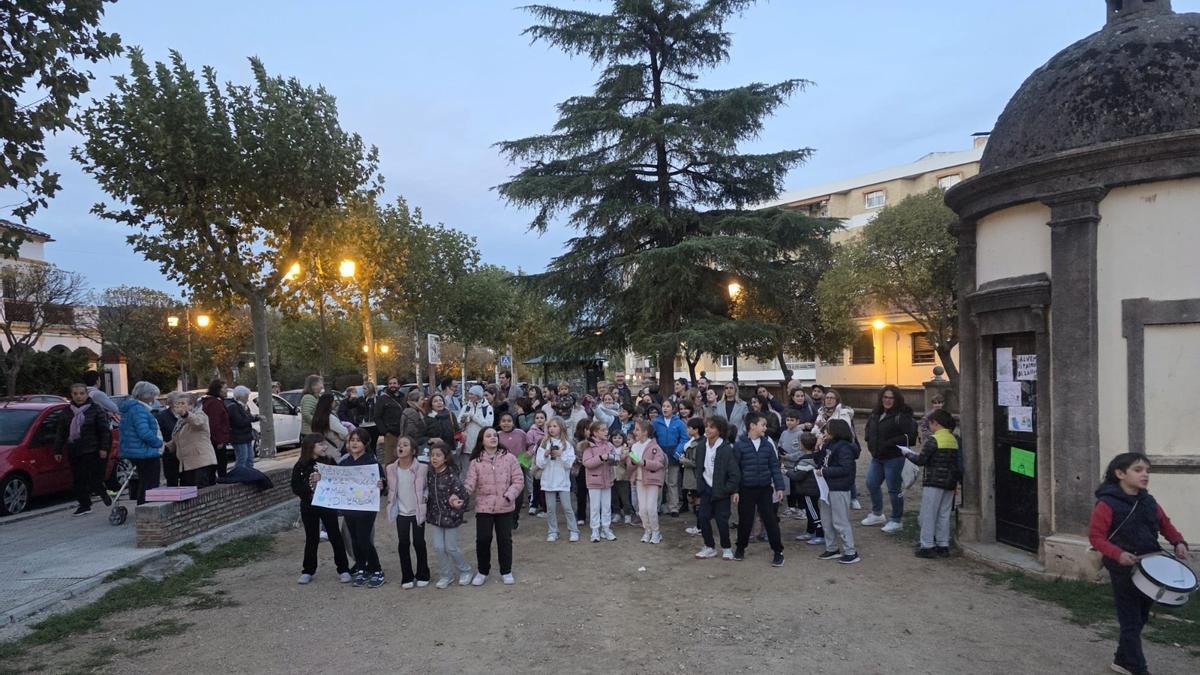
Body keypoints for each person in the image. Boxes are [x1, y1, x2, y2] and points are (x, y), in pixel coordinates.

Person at [1088, 453, 1190, 675]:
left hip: (1150, 566)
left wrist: (1178, 542)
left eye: (1147, 470)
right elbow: (1096, 538)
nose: (1145, 475)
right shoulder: (1107, 504)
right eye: (1138, 470)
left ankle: (1122, 660)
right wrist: (1118, 554)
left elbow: (1165, 524)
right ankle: (1138, 669)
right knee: (1131, 620)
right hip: (1123, 568)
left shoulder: (1149, 501)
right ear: (1120, 474)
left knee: (1140, 617)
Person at [320, 428, 385, 588]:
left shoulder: (371, 462)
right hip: (350, 507)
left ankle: (376, 569)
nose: (354, 443)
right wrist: (321, 479)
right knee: (354, 539)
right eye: (352, 440)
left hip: (367, 507)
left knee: (364, 538)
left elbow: (382, 484)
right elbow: (335, 481)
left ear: (365, 443)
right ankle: (361, 567)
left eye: (358, 440)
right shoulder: (344, 462)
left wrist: (381, 484)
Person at [461, 427, 523, 585]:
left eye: (495, 435)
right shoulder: (476, 462)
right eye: (488, 436)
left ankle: (506, 571)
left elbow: (518, 480)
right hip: (484, 507)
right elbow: (470, 482)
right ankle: (482, 571)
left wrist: (509, 495)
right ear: (482, 440)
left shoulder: (509, 458)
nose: (493, 438)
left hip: (505, 505)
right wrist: (462, 495)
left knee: (505, 539)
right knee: (483, 539)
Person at [291, 434, 351, 585]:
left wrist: (324, 478)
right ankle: (308, 570)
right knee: (312, 538)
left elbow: (338, 480)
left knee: (335, 536)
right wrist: (309, 486)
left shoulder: (329, 462)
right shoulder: (300, 465)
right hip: (308, 507)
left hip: (327, 506)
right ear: (311, 447)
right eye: (321, 445)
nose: (325, 447)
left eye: (325, 444)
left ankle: (343, 569)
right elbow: (296, 487)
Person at [731, 413, 786, 567]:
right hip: (746, 489)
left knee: (770, 520)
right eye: (763, 424)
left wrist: (780, 487)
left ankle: (778, 551)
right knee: (745, 521)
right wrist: (735, 490)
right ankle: (740, 548)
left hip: (765, 489)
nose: (765, 428)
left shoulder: (768, 445)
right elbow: (735, 470)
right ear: (752, 426)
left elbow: (774, 467)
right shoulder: (739, 445)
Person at [906, 409, 961, 559]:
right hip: (950, 482)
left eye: (929, 423)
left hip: (934, 481)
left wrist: (907, 454)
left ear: (935, 423)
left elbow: (921, 460)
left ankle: (927, 545)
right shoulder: (954, 439)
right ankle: (943, 545)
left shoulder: (933, 439)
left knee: (928, 514)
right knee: (943, 514)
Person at [862, 385, 917, 534]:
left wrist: (890, 442)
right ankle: (877, 514)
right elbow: (869, 428)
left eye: (891, 397)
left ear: (896, 399)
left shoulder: (902, 415)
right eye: (885, 397)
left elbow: (911, 437)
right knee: (871, 483)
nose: (887, 400)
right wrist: (869, 438)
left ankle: (896, 520)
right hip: (877, 456)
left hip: (894, 457)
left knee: (893, 489)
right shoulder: (876, 413)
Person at [54, 383, 113, 516]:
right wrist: (57, 450)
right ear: (71, 395)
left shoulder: (96, 409)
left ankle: (102, 491)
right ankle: (84, 505)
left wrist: (104, 448)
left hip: (92, 448)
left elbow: (104, 431)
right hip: (74, 449)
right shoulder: (67, 411)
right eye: (75, 394)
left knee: (93, 478)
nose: (79, 396)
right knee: (78, 478)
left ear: (86, 394)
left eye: (81, 393)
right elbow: (61, 432)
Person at [424, 439, 472, 589]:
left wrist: (457, 502)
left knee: (451, 547)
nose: (435, 458)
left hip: (451, 517)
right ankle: (447, 575)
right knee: (438, 547)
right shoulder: (430, 474)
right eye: (432, 455)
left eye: (438, 455)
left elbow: (463, 495)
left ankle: (466, 571)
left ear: (445, 458)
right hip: (436, 517)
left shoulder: (452, 476)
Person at [693, 416, 740, 560]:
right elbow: (698, 467)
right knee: (703, 517)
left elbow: (734, 473)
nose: (707, 429)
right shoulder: (701, 446)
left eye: (712, 427)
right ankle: (709, 546)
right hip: (706, 488)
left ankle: (726, 548)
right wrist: (700, 485)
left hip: (721, 490)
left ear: (720, 430)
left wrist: (730, 489)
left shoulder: (726, 449)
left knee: (722, 520)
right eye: (706, 426)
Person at [387, 436, 430, 589]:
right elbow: (390, 488)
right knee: (403, 543)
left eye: (405, 445)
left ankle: (423, 573)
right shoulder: (391, 468)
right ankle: (407, 576)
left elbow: (427, 486)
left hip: (417, 510)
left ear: (413, 450)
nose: (401, 447)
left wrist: (425, 497)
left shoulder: (423, 468)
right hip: (401, 512)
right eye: (399, 445)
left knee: (419, 543)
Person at [817, 419, 861, 564]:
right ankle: (832, 548)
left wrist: (824, 471)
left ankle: (851, 551)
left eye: (827, 429)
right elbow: (819, 461)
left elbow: (845, 469)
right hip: (826, 488)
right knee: (826, 520)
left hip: (839, 487)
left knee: (840, 521)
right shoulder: (829, 444)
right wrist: (819, 447)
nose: (824, 432)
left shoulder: (845, 448)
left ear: (835, 431)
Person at [118, 381, 164, 505]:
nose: (154, 398)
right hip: (145, 451)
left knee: (143, 481)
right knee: (151, 482)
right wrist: (158, 443)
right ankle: (148, 507)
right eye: (152, 395)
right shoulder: (140, 410)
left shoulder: (129, 409)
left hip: (134, 450)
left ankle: (142, 505)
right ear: (145, 395)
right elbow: (144, 432)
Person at [536, 417, 579, 542]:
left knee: (567, 507)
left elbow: (569, 464)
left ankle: (573, 530)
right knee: (550, 509)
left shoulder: (567, 444)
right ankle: (553, 531)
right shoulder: (544, 443)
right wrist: (545, 454)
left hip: (562, 481)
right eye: (550, 426)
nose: (552, 429)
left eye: (555, 426)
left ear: (561, 428)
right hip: (548, 481)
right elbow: (540, 464)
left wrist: (561, 454)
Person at [625, 418, 666, 544]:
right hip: (639, 480)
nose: (634, 432)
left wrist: (643, 462)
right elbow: (630, 465)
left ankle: (656, 531)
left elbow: (659, 463)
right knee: (642, 509)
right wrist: (631, 460)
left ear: (645, 432)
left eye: (637, 430)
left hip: (652, 480)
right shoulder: (635, 446)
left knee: (651, 508)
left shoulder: (654, 447)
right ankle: (647, 530)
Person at [165, 393, 218, 487]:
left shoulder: (200, 414)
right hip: (186, 464)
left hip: (200, 462)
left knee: (200, 492)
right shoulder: (180, 421)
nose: (179, 406)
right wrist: (164, 447)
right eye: (178, 404)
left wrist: (185, 414)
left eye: (182, 403)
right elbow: (177, 440)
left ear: (191, 405)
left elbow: (197, 422)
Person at [581, 421, 617, 542]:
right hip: (594, 481)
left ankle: (606, 528)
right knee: (595, 507)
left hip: (607, 480)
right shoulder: (588, 446)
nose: (606, 432)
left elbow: (615, 458)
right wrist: (601, 458)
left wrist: (613, 458)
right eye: (603, 430)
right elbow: (587, 463)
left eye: (606, 430)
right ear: (595, 433)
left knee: (606, 506)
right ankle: (595, 530)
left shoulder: (609, 445)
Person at [652, 400, 688, 517]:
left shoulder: (679, 423)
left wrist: (678, 451)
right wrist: (657, 451)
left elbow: (684, 439)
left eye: (668, 406)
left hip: (673, 455)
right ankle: (656, 507)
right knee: (659, 483)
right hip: (660, 455)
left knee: (672, 482)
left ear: (673, 409)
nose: (665, 408)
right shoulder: (656, 422)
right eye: (663, 406)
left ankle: (674, 507)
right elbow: (653, 438)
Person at [790, 432, 825, 545]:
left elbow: (797, 476)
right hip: (812, 489)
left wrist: (786, 472)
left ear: (803, 445)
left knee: (813, 511)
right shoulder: (815, 457)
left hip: (808, 490)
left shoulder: (805, 461)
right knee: (811, 510)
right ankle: (810, 531)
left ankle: (820, 534)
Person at [497, 412, 528, 531]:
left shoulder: (520, 433)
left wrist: (528, 454)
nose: (506, 423)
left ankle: (515, 518)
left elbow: (530, 445)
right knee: (504, 494)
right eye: (503, 421)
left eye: (509, 421)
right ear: (499, 423)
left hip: (519, 467)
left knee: (518, 495)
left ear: (513, 422)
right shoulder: (497, 435)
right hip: (502, 469)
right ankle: (506, 518)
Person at [677, 417, 705, 535]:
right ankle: (700, 526)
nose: (687, 430)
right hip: (694, 477)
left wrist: (684, 460)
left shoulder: (698, 444)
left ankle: (700, 526)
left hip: (695, 477)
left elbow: (696, 463)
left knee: (698, 502)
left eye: (689, 428)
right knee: (695, 501)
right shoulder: (699, 442)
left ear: (696, 429)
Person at [201, 379, 231, 478]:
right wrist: (219, 441)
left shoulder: (212, 402)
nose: (227, 391)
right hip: (217, 441)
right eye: (225, 388)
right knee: (220, 465)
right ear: (218, 390)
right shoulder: (214, 404)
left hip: (214, 440)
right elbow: (214, 424)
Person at [778, 409, 805, 516]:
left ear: (798, 422)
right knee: (788, 489)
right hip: (786, 466)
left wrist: (789, 456)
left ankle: (802, 509)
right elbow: (780, 445)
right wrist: (780, 453)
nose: (789, 422)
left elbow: (802, 451)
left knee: (797, 488)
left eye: (792, 420)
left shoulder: (800, 434)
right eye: (787, 420)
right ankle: (791, 507)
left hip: (796, 466)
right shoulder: (784, 433)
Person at [459, 384, 494, 467]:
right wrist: (463, 421)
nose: (469, 396)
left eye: (472, 394)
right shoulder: (466, 407)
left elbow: (488, 425)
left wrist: (473, 417)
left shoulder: (487, 408)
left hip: (481, 445)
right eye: (469, 393)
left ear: (478, 395)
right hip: (467, 445)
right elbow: (458, 423)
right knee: (466, 472)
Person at [157, 392, 184, 487]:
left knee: (186, 482)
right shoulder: (162, 416)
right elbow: (158, 433)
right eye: (179, 402)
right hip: (170, 454)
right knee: (172, 481)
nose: (182, 404)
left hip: (185, 454)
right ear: (172, 403)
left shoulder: (186, 415)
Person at [227, 386, 258, 470]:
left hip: (246, 436)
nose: (248, 398)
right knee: (242, 459)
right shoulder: (233, 407)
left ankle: (249, 474)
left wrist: (256, 417)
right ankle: (239, 474)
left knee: (250, 458)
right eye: (246, 396)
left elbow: (247, 418)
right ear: (240, 397)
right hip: (239, 437)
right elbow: (240, 422)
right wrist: (251, 418)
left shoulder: (244, 407)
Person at [377, 377, 405, 466]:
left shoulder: (403, 397)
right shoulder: (382, 399)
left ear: (399, 385)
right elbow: (377, 416)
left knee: (403, 457)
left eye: (394, 383)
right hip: (391, 433)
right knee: (390, 459)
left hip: (403, 432)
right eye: (390, 383)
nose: (392, 385)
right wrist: (385, 432)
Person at [609, 430, 633, 525]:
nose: (617, 440)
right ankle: (617, 513)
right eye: (614, 438)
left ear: (623, 439)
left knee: (625, 497)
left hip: (623, 476)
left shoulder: (625, 449)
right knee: (614, 497)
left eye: (619, 438)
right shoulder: (609, 448)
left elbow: (624, 458)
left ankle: (628, 513)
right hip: (611, 476)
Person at [358, 382, 379, 451]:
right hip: (363, 425)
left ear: (370, 389)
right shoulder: (361, 399)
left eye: (365, 389)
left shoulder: (377, 399)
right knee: (363, 445)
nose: (363, 390)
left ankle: (373, 459)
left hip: (374, 425)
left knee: (373, 445)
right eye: (363, 389)